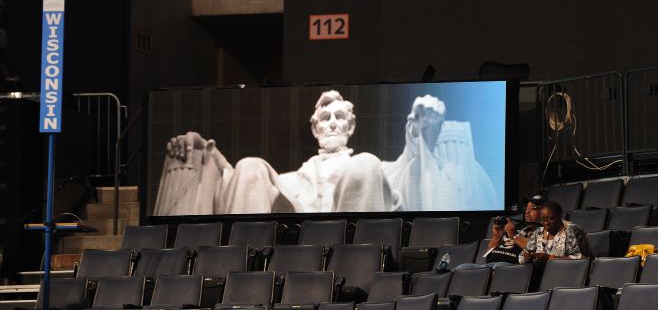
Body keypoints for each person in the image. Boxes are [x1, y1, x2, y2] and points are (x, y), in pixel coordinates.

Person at [154, 90, 499, 215]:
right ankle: (242, 277)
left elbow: (410, 166)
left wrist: (423, 129)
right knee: (249, 165)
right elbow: (233, 185)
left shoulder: (378, 168)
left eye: (339, 118)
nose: (332, 123)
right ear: (314, 128)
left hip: (355, 246)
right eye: (325, 118)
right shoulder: (288, 182)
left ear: (350, 127)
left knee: (364, 165)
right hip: (288, 244)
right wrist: (205, 151)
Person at [520, 200, 592, 264]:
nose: (546, 223)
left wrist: (550, 258)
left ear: (560, 216)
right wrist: (527, 256)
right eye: (542, 219)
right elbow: (521, 258)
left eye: (550, 218)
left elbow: (582, 259)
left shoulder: (572, 231)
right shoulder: (538, 232)